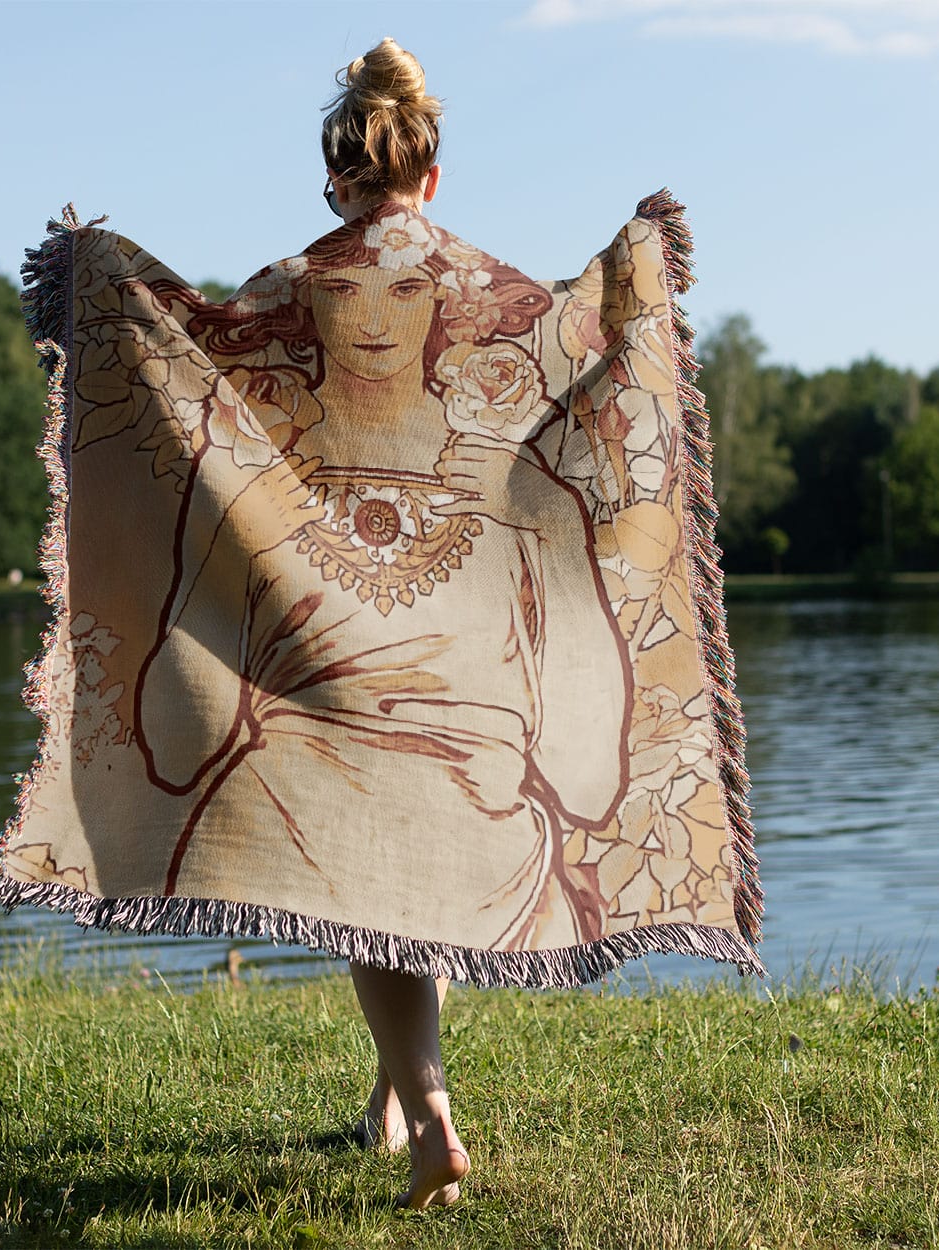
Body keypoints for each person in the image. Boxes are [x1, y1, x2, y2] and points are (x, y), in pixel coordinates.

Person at [129, 37, 629, 1209]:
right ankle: (394, 1098)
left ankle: (428, 1113)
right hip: (466, 629)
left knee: (371, 880)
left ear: (334, 179)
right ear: (432, 175)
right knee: (426, 864)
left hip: (340, 628)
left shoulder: (288, 282)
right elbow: (559, 366)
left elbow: (200, 383)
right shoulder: (484, 288)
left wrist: (114, 294)